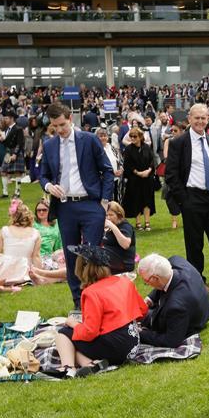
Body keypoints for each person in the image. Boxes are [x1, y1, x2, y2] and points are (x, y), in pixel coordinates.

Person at [39, 102, 115, 309]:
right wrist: (48, 186)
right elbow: (42, 174)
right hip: (65, 207)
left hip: (91, 204)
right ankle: (78, 303)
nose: (60, 130)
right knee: (71, 256)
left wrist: (104, 202)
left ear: (70, 119)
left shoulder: (89, 140)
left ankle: (98, 298)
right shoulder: (49, 145)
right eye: (55, 127)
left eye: (62, 125)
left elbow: (108, 171)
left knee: (91, 255)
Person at [49, 244, 148, 379]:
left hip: (114, 349)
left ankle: (67, 368)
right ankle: (90, 364)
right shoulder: (125, 281)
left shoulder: (91, 293)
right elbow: (143, 310)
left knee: (65, 333)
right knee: (75, 340)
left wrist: (73, 324)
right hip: (132, 344)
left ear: (82, 269)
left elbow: (90, 332)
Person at [164, 103, 209, 288]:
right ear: (190, 118)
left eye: (204, 118)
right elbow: (171, 174)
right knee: (194, 243)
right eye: (197, 118)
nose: (200, 121)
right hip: (191, 198)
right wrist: (183, 199)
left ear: (208, 119)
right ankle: (198, 281)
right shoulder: (179, 142)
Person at [137, 253, 209, 348]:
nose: (146, 283)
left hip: (193, 320)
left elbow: (170, 341)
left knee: (143, 318)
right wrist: (150, 299)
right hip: (200, 306)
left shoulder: (176, 306)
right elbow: (162, 282)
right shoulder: (176, 261)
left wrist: (139, 334)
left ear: (156, 278)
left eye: (146, 281)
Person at [0, 202, 41, 291]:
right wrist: (40, 274)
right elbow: (36, 257)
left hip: (5, 267)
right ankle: (8, 285)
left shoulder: (5, 230)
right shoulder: (35, 233)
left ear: (13, 216)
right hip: (23, 268)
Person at [121, 127, 157, 231]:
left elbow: (152, 160)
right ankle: (138, 223)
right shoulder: (128, 149)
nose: (132, 138)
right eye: (131, 136)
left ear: (140, 137)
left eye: (135, 136)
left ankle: (147, 222)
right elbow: (127, 165)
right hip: (134, 180)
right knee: (136, 200)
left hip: (147, 179)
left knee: (147, 201)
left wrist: (149, 170)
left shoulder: (147, 147)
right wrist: (138, 172)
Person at [28, 198, 66, 284]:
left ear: (49, 211)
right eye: (38, 210)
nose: (41, 212)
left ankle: (42, 279)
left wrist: (58, 255)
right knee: (61, 272)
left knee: (67, 268)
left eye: (44, 210)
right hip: (37, 256)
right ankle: (42, 277)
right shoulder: (33, 225)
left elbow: (58, 244)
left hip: (51, 256)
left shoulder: (56, 225)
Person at [160, 121, 184, 230]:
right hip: (171, 172)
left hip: (182, 173)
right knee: (170, 196)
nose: (173, 132)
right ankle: (174, 220)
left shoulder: (185, 142)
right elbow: (165, 156)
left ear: (181, 131)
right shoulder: (168, 141)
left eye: (175, 130)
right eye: (172, 130)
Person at [102, 201, 136, 274]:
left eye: (111, 215)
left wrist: (112, 226)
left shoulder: (125, 226)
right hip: (108, 263)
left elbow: (125, 245)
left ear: (119, 215)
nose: (108, 218)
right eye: (106, 215)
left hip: (123, 264)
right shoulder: (104, 227)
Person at [0, 110, 25, 198]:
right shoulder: (6, 129)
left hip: (15, 152)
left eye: (6, 118)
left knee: (18, 172)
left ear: (12, 119)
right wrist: (1, 140)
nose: (5, 120)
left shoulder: (18, 129)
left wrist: (15, 154)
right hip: (8, 152)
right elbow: (7, 142)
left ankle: (17, 192)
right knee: (3, 170)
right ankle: (5, 193)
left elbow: (20, 143)